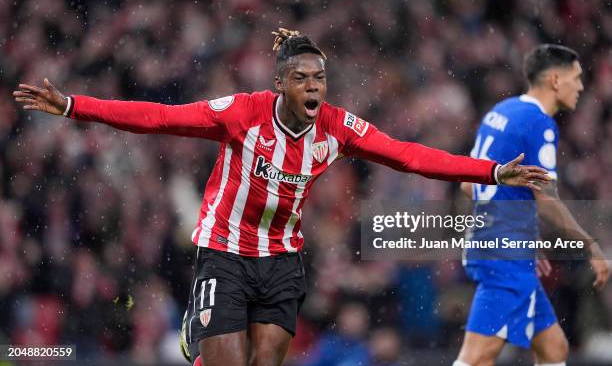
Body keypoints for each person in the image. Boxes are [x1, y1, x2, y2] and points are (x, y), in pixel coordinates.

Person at [13, 28, 550, 366]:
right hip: (224, 252)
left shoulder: (338, 129)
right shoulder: (241, 113)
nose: (315, 86)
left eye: (321, 77)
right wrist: (72, 106)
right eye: (303, 78)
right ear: (280, 85)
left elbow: (409, 154)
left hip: (281, 261)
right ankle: (198, 342)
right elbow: (158, 118)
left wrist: (494, 171)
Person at [454, 44, 611, 366]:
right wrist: (590, 246)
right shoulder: (538, 124)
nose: (581, 86)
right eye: (577, 78)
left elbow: (468, 185)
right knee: (476, 357)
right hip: (504, 251)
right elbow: (545, 199)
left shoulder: (501, 112)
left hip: (496, 241)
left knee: (554, 348)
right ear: (555, 80)